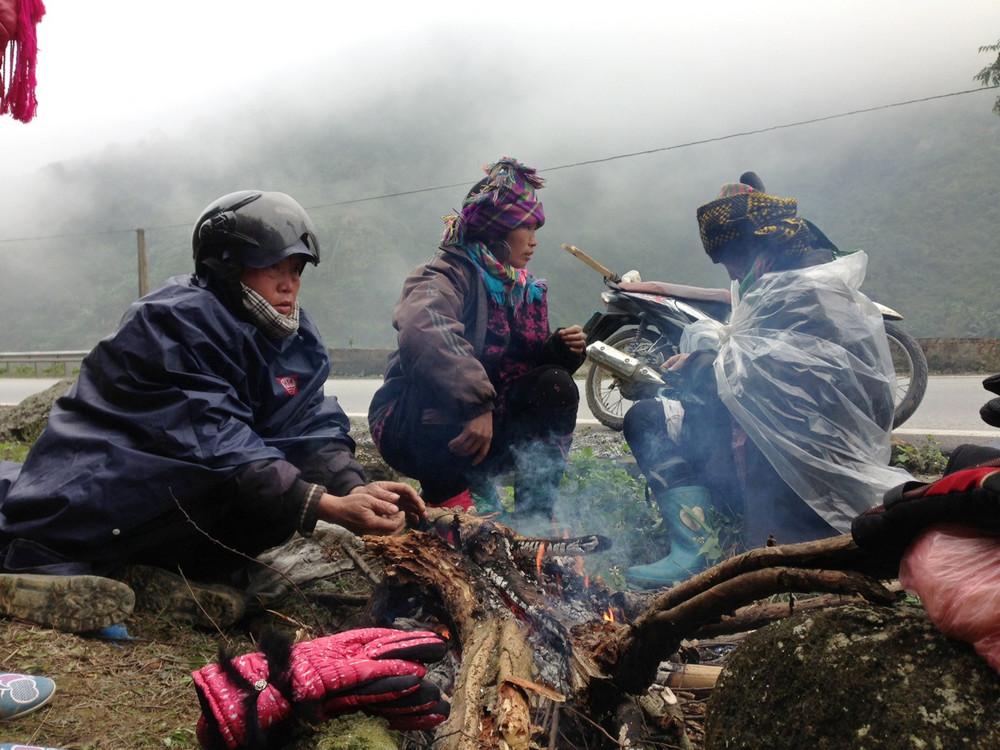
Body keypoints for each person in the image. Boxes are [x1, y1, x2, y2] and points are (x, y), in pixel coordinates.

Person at [0, 190, 425, 631]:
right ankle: (35, 573)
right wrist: (323, 504)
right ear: (227, 264)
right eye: (273, 267)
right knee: (252, 489)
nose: (289, 283)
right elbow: (214, 439)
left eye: (296, 270)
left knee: (266, 501)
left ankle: (171, 575)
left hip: (175, 506)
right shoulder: (174, 322)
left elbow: (307, 421)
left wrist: (352, 486)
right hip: (107, 490)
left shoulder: (291, 336)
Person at [622, 174, 910, 588]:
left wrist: (699, 367)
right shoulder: (770, 277)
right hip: (764, 441)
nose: (727, 270)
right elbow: (757, 365)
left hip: (799, 460)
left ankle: (757, 543)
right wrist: (706, 361)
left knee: (779, 553)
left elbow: (769, 388)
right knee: (647, 417)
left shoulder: (802, 290)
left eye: (727, 257)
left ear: (752, 245)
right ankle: (694, 544)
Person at [368, 157, 586, 526]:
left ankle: (535, 520)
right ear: (496, 231)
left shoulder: (523, 288)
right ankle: (450, 495)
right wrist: (476, 403)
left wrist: (558, 354)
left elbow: (519, 370)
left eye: (537, 229)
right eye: (525, 228)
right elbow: (425, 326)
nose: (534, 241)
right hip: (412, 423)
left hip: (485, 424)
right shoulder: (444, 274)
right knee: (442, 390)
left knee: (555, 385)